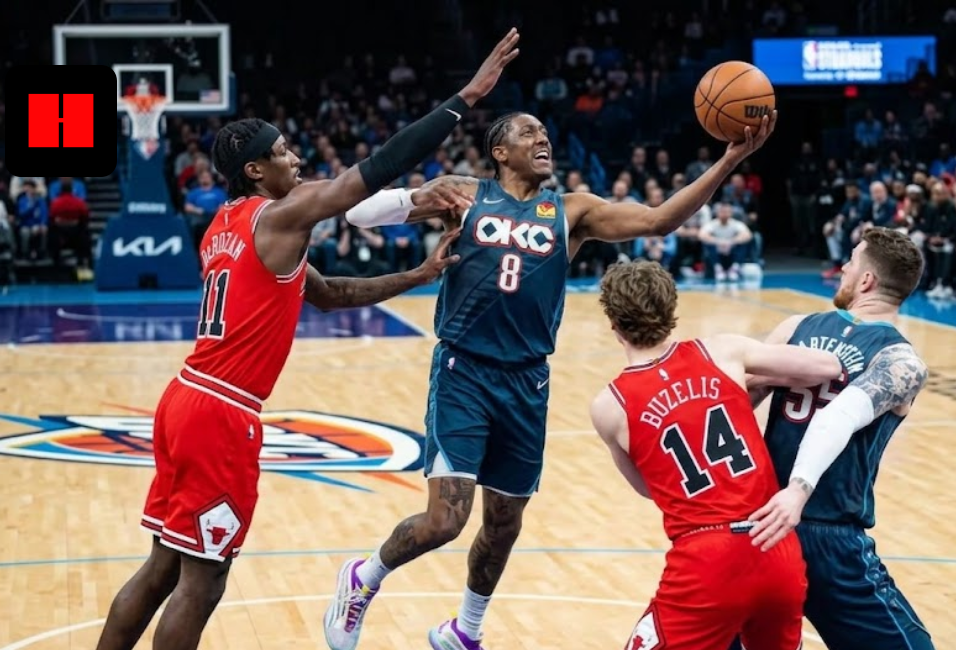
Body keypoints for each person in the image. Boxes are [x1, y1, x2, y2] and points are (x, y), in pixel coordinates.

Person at [92, 28, 522, 650]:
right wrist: (467, 98)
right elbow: (376, 170)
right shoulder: (280, 215)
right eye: (283, 152)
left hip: (184, 398)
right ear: (255, 170)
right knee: (203, 582)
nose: (295, 160)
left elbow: (328, 293)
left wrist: (418, 275)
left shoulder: (225, 225)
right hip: (221, 412)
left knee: (162, 566)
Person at [324, 108, 778, 650]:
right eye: (529, 132)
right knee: (446, 520)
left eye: (545, 132)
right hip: (464, 372)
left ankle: (465, 630)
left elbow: (658, 221)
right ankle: (363, 577)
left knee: (504, 523)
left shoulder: (572, 211)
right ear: (499, 151)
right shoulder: (465, 193)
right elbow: (359, 216)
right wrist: (415, 198)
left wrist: (729, 160)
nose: (543, 138)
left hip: (527, 382)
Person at [588, 260, 842, 650]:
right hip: (775, 544)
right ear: (672, 310)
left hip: (706, 560)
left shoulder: (610, 406)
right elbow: (827, 366)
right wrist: (756, 383)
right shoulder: (721, 351)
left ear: (614, 324)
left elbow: (650, 488)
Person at [738, 227, 934, 650]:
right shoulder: (902, 361)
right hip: (828, 537)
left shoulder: (797, 327)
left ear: (867, 280)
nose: (843, 267)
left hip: (760, 523)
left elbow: (733, 405)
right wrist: (798, 491)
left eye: (851, 260)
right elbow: (836, 418)